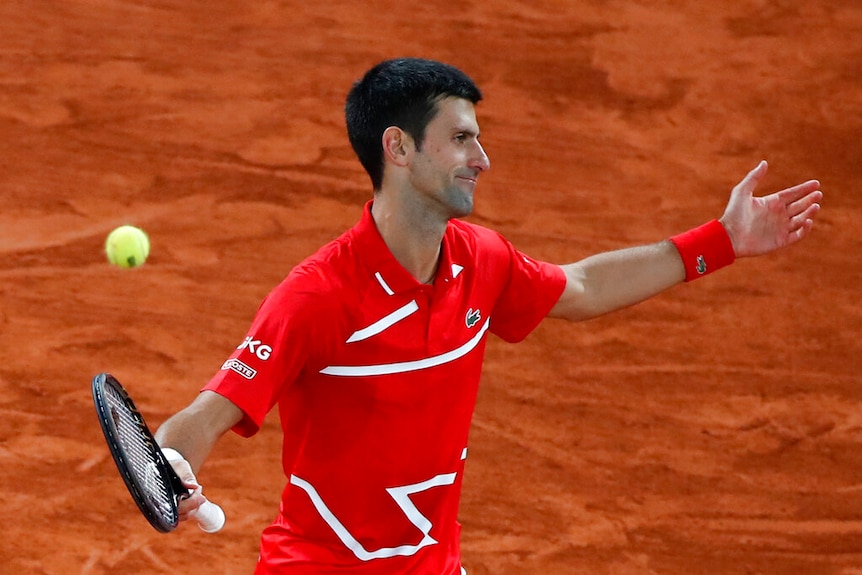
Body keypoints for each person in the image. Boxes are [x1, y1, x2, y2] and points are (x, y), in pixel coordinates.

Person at [153, 57, 822, 574]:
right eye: (462, 140)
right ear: (399, 148)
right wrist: (172, 466)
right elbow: (206, 413)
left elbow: (581, 287)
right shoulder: (320, 296)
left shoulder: (482, 259)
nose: (483, 159)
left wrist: (722, 241)